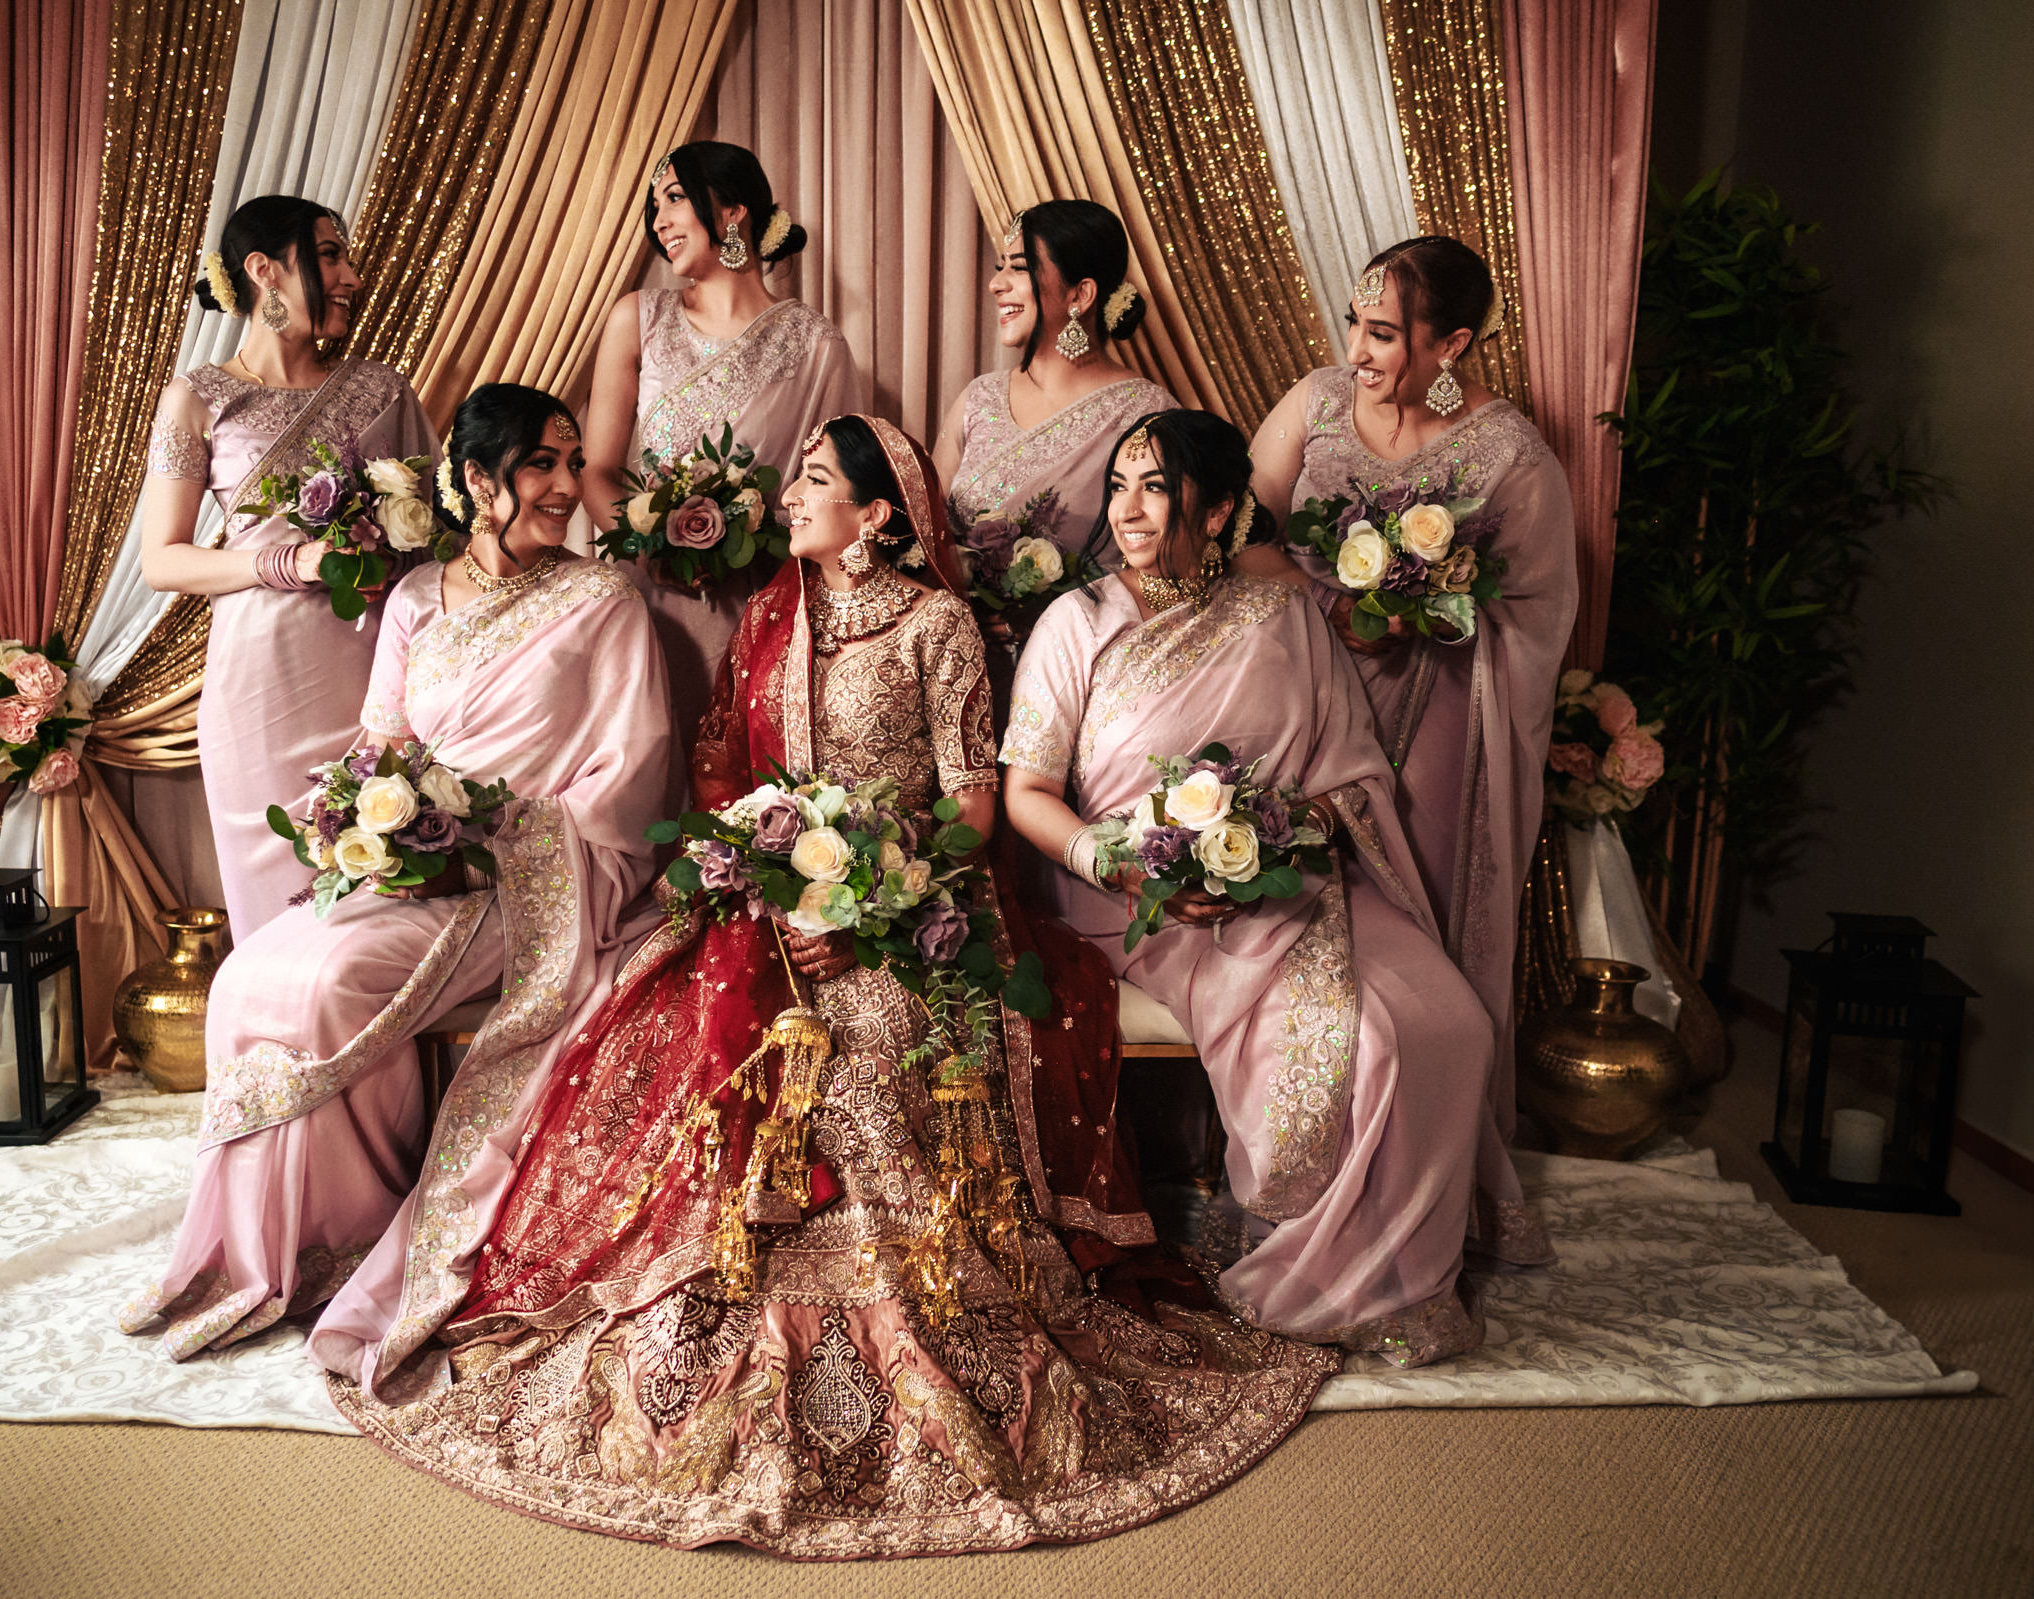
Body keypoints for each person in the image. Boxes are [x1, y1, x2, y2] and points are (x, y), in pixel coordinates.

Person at [321, 415, 1338, 1559]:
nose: (789, 496)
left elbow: (972, 806)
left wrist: (876, 903)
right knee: (674, 1030)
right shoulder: (770, 614)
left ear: (880, 515)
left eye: (813, 481)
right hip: (766, 908)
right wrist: (757, 873)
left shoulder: (938, 623)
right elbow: (728, 779)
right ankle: (700, 1294)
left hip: (914, 915)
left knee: (877, 1033)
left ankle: (902, 1310)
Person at [120, 384, 674, 1361]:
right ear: (474, 479)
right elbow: (380, 745)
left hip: (532, 882)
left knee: (333, 984)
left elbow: (631, 773)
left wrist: (496, 838)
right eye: (540, 463)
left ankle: (345, 1239)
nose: (563, 485)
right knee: (250, 976)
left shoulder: (604, 600)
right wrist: (367, 828)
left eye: (571, 460)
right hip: (413, 865)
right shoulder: (417, 597)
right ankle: (252, 1254)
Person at [1003, 409, 1510, 1366]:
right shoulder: (1077, 621)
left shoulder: (1279, 617)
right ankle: (1319, 1262)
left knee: (1449, 1026)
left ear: (1222, 506)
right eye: (1120, 485)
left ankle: (1397, 1275)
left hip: (1292, 881)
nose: (1129, 510)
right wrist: (1123, 862)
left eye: (1156, 487)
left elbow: (1350, 776)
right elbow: (1028, 792)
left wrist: (1274, 838)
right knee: (1357, 1038)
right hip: (1131, 900)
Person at [1247, 237, 1573, 1265]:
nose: (1356, 349)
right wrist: (1324, 597)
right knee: (1298, 923)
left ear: (1454, 345)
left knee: (1411, 939)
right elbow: (1239, 531)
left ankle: (1417, 1189)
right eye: (1353, 322)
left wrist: (1422, 611)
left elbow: (1539, 606)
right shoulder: (1314, 405)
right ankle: (1301, 1174)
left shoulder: (1508, 454)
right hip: (1302, 704)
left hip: (1439, 724)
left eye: (1383, 333)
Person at [139, 196, 439, 943]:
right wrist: (290, 559)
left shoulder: (382, 390)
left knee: (382, 900)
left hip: (378, 674)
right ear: (264, 271)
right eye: (331, 256)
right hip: (260, 689)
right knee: (282, 929)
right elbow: (162, 559)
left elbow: (437, 540)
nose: (352, 277)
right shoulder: (199, 399)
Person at [582, 142, 861, 763]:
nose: (658, 222)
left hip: (760, 602)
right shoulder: (638, 318)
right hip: (641, 598)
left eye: (675, 199)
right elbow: (596, 469)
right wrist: (649, 549)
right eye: (654, 206)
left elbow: (837, 495)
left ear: (733, 213)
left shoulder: (817, 347)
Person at [932, 200, 1174, 610]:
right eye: (1000, 268)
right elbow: (925, 533)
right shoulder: (979, 398)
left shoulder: (1144, 416)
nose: (996, 285)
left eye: (1020, 268)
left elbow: (1164, 569)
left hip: (1077, 655)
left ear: (1080, 294)